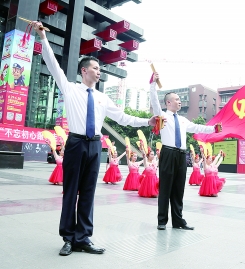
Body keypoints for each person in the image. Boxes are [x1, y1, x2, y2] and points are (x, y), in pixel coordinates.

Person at [32, 21, 158, 256]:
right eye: (95, 68)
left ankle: (83, 238)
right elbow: (52, 63)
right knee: (71, 192)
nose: (99, 72)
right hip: (76, 143)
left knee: (89, 192)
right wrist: (42, 37)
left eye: (100, 69)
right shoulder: (70, 89)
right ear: (84, 71)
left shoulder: (102, 98)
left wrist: (147, 121)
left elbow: (122, 118)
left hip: (94, 146)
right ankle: (68, 238)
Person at [149, 73, 220, 231]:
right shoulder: (162, 116)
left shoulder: (183, 120)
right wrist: (152, 85)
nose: (179, 101)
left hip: (181, 155)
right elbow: (154, 101)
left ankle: (178, 220)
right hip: (167, 153)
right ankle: (162, 220)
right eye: (176, 99)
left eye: (180, 100)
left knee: (179, 188)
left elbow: (198, 128)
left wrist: (213, 129)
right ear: (168, 102)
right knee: (166, 188)